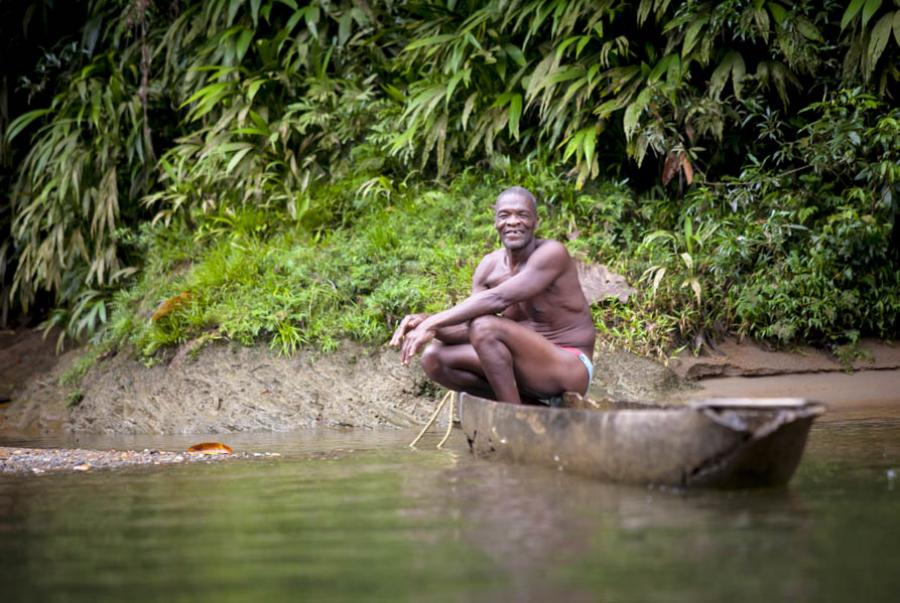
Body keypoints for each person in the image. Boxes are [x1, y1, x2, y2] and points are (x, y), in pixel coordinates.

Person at [390, 186, 596, 405]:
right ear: (496, 222)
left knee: (485, 325)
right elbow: (468, 329)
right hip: (524, 366)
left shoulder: (552, 253)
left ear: (537, 221)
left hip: (569, 366)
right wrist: (424, 322)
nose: (513, 221)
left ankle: (512, 415)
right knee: (434, 358)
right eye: (505, 215)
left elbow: (499, 299)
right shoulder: (489, 267)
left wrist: (433, 322)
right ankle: (531, 408)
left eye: (522, 215)